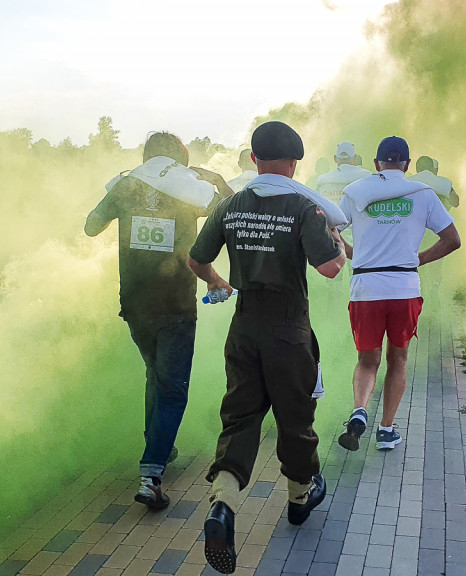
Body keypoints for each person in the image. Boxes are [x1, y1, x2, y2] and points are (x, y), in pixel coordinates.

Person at [187, 121, 346, 574]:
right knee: (294, 421)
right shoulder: (302, 207)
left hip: (243, 330)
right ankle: (299, 498)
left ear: (254, 159)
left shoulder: (230, 206)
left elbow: (197, 260)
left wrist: (220, 283)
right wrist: (335, 242)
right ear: (294, 164)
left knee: (240, 419)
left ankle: (222, 506)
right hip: (288, 332)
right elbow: (332, 269)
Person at [84, 132, 233, 510]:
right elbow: (231, 213)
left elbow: (89, 226)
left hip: (134, 305)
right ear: (182, 158)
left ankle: (159, 449)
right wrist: (214, 179)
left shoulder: (127, 183)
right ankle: (151, 476)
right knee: (172, 388)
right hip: (175, 307)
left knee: (156, 375)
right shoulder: (189, 187)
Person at [335, 136, 461, 451]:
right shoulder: (423, 193)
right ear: (406, 164)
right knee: (399, 358)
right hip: (404, 287)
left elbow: (330, 228)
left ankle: (359, 409)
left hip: (366, 288)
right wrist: (418, 259)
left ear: (377, 164)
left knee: (367, 361)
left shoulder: (355, 192)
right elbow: (452, 239)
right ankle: (386, 431)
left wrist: (354, 253)